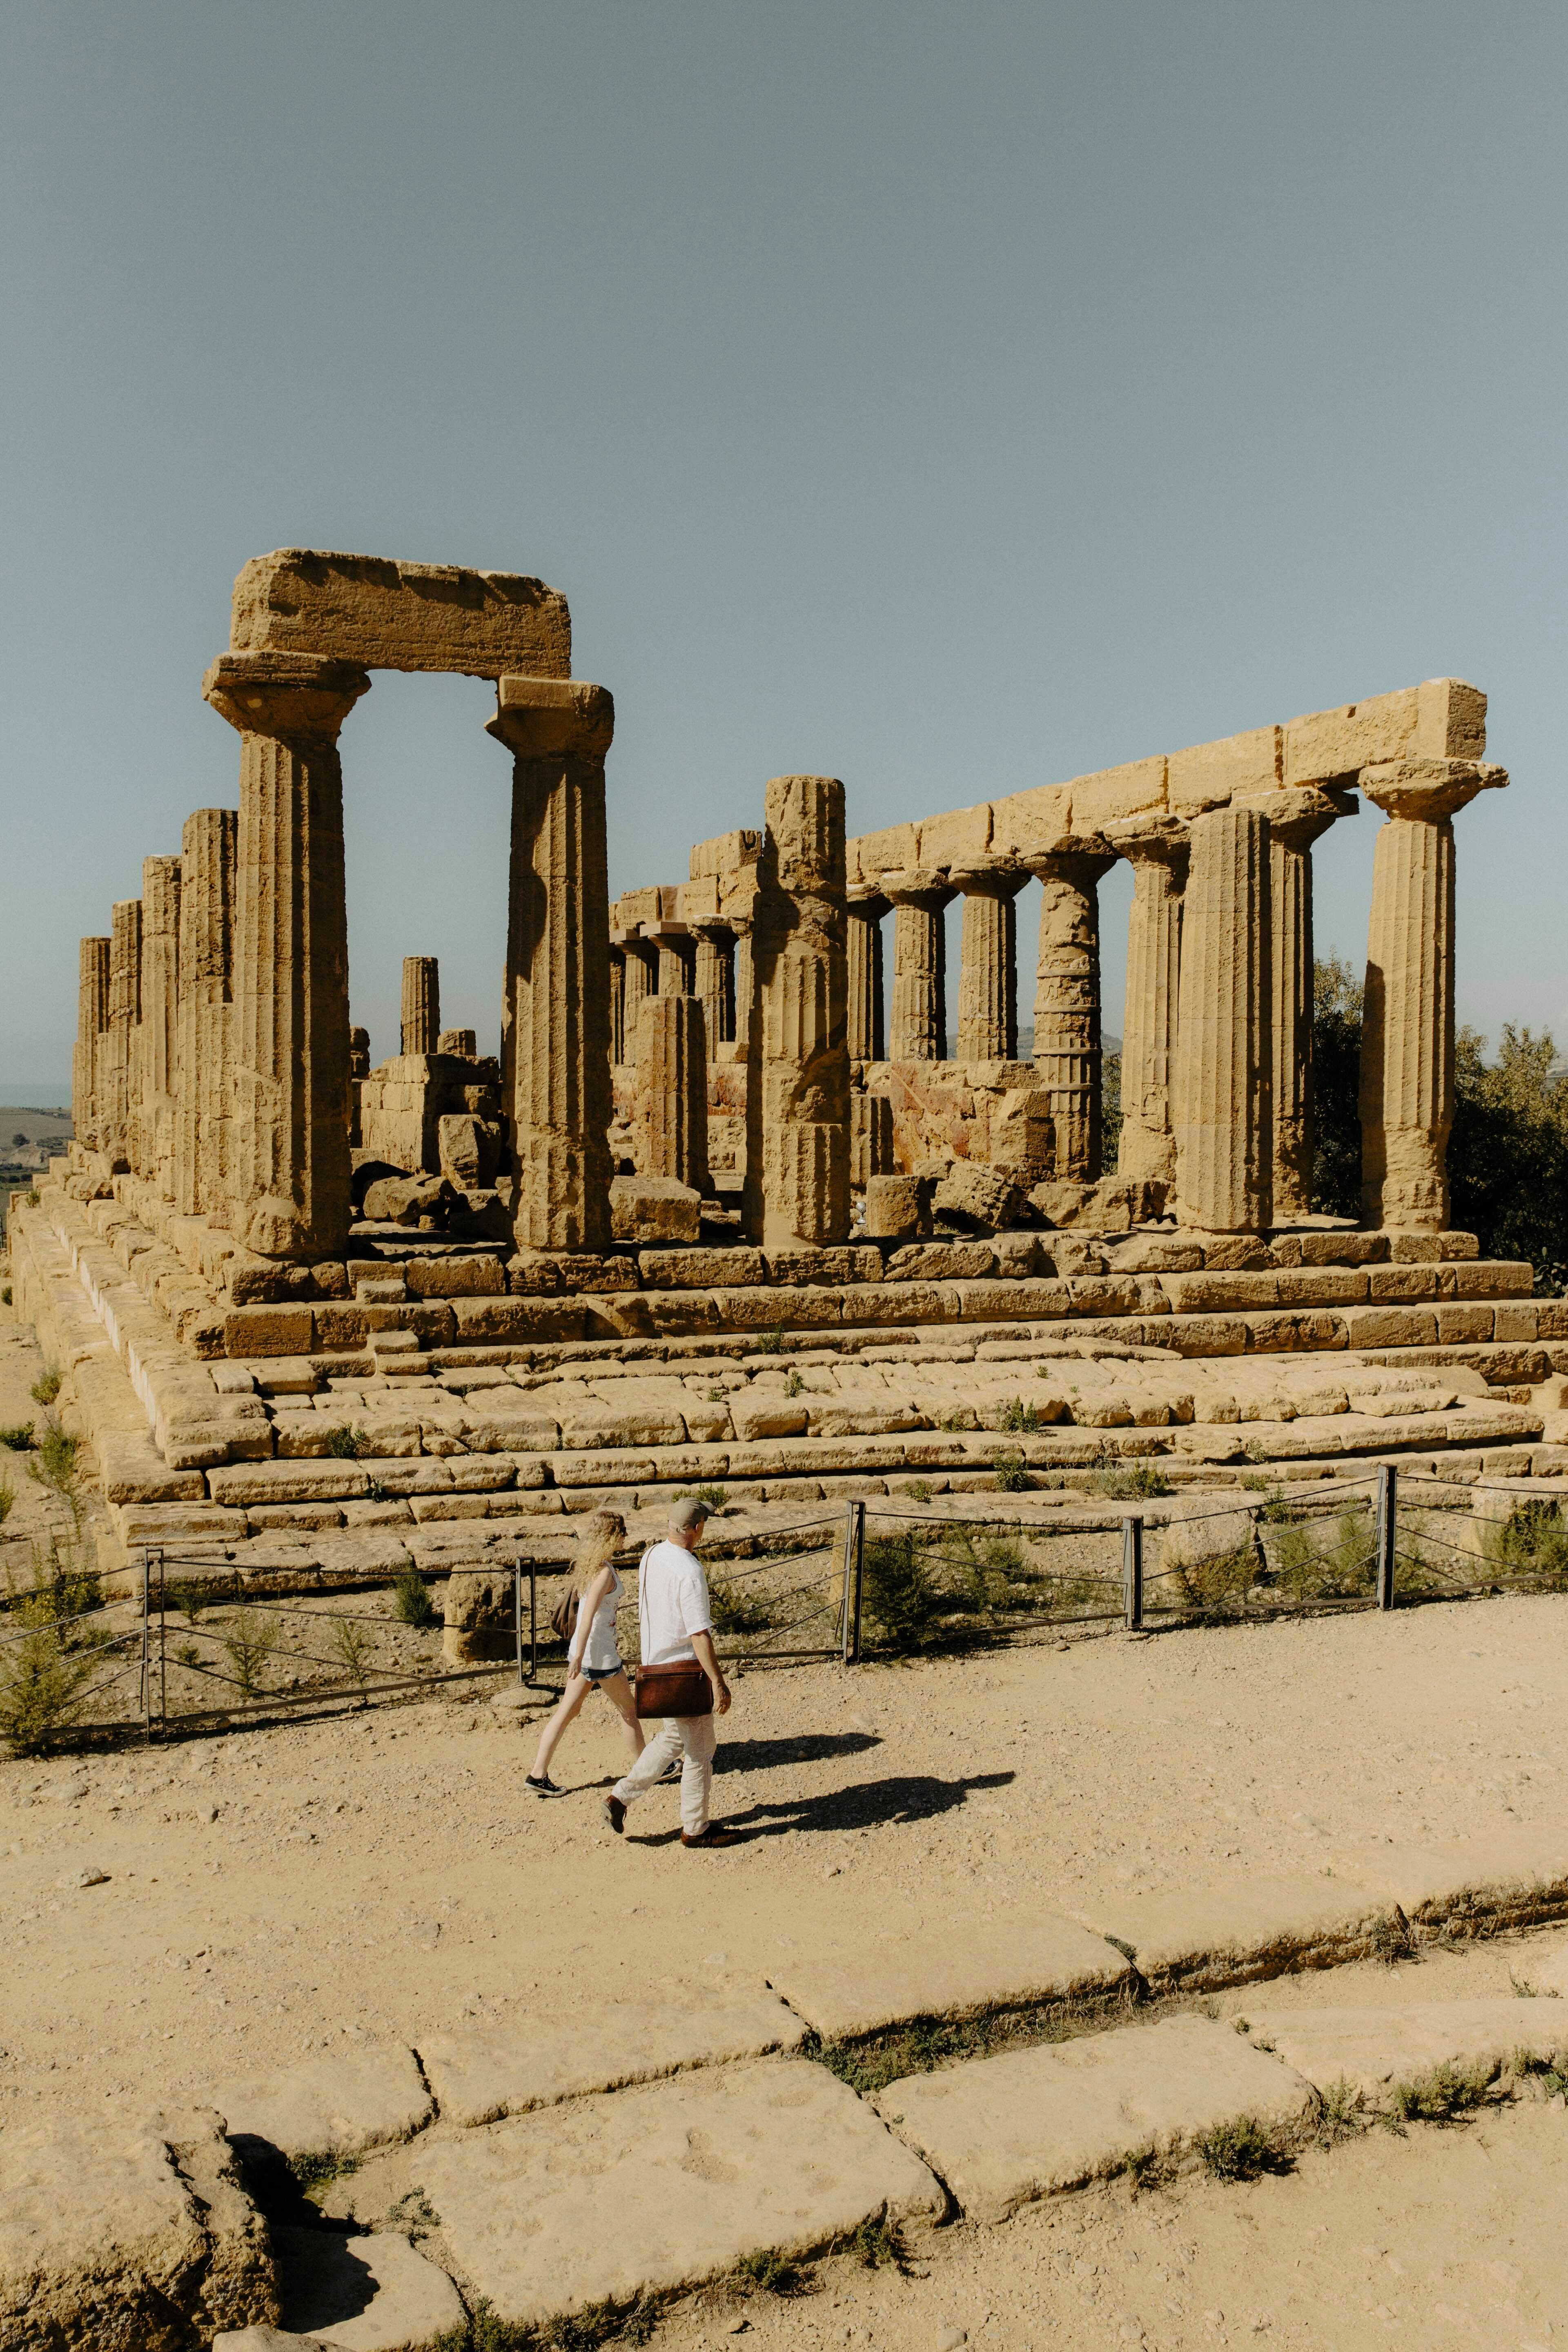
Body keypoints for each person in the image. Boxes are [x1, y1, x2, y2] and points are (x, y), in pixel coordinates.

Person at [604, 1496, 737, 1849]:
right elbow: (699, 1633)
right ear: (697, 1529)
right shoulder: (690, 1571)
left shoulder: (652, 1555)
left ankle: (619, 1797)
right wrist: (719, 1682)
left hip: (657, 1669)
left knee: (672, 1739)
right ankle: (696, 1828)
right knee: (700, 1751)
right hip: (684, 1673)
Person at [526, 1511, 646, 1797]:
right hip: (600, 1655)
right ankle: (649, 1769)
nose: (626, 1535)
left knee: (568, 1712)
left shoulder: (591, 1566)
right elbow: (588, 1615)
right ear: (610, 1536)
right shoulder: (603, 1572)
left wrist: (576, 1655)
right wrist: (579, 1655)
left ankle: (537, 1774)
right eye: (622, 1531)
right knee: (629, 1711)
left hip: (586, 1654)